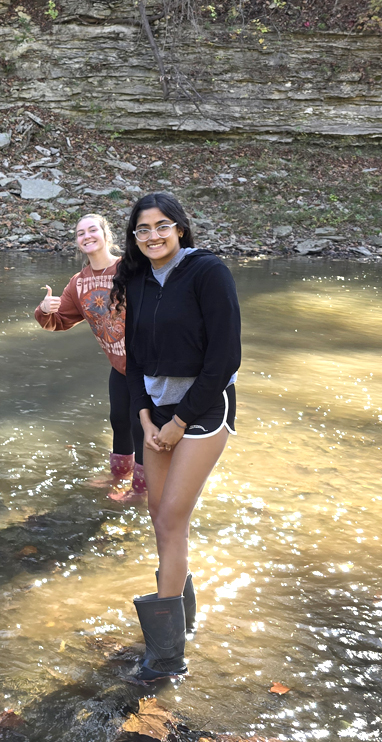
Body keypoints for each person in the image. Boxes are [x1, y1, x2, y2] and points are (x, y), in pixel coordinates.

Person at [110, 192, 241, 682]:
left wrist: (179, 422)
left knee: (172, 518)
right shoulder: (137, 278)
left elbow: (225, 358)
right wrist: (144, 419)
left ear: (180, 228)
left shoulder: (208, 272)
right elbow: (135, 358)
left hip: (205, 408)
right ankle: (182, 617)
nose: (153, 236)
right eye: (143, 229)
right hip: (155, 412)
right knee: (159, 519)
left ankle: (167, 658)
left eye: (162, 226)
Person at [35, 214, 146, 496]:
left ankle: (142, 488)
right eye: (80, 233)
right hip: (119, 367)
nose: (87, 236)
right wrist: (45, 309)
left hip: (149, 365)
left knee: (140, 425)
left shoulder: (131, 267)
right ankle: (119, 478)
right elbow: (58, 321)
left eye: (92, 230)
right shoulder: (78, 283)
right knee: (119, 420)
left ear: (106, 235)